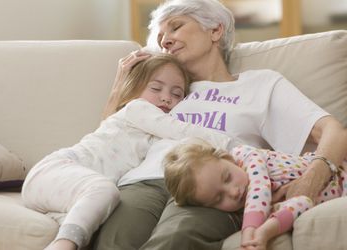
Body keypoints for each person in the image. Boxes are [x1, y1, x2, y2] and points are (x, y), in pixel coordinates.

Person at [94, 0, 347, 249]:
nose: (165, 40)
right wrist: (120, 86)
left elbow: (334, 132)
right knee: (113, 241)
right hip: (144, 181)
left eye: (175, 27)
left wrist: (309, 184)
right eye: (160, 37)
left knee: (175, 240)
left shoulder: (261, 84)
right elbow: (111, 134)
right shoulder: (167, 90)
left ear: (215, 30)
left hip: (210, 188)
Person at [21, 53, 235, 250]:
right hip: (58, 169)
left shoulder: (152, 139)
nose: (166, 98)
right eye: (156, 88)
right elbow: (182, 130)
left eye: (176, 93)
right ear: (134, 89)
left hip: (70, 191)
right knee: (105, 191)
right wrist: (235, 147)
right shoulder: (137, 109)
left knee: (98, 215)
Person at [164, 138, 347, 250]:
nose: (233, 192)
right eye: (219, 198)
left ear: (226, 158)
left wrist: (250, 231)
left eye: (227, 177)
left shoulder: (246, 156)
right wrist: (266, 231)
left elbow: (259, 188)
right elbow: (303, 203)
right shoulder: (260, 211)